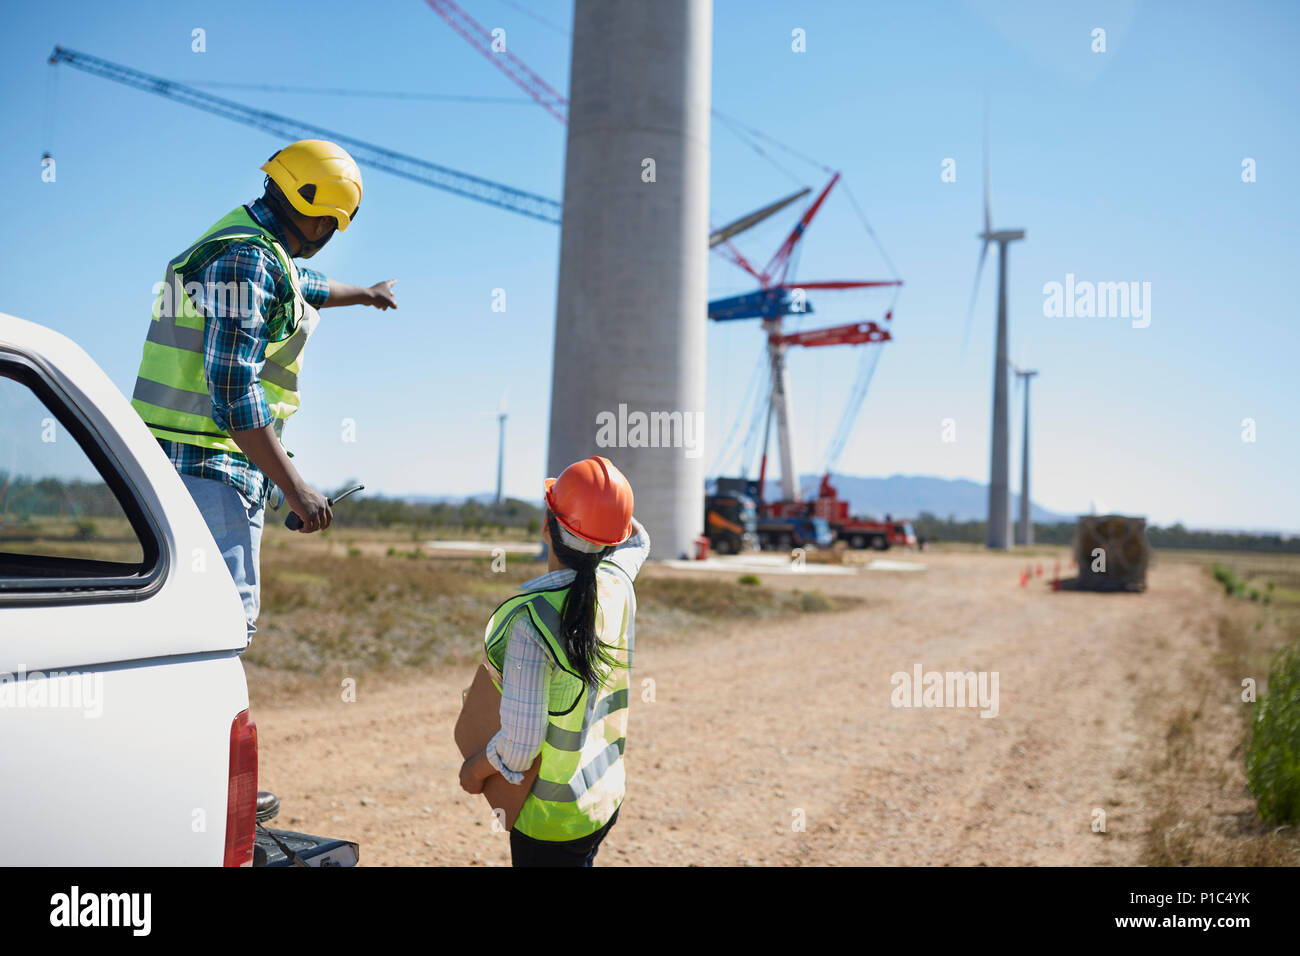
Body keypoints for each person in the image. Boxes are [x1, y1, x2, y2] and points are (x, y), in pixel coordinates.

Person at [130, 139, 396, 640]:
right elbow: (234, 393)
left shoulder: (246, 242)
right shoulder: (248, 261)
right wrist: (297, 490)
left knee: (178, 626)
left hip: (172, 463)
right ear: (322, 223)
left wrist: (366, 294)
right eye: (334, 226)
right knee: (220, 628)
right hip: (208, 467)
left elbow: (305, 283)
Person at [459, 456, 649, 867]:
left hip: (552, 819)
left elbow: (521, 745)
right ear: (612, 540)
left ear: (547, 527)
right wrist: (612, 510)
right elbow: (638, 542)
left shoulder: (534, 621)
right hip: (604, 796)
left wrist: (474, 770)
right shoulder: (616, 584)